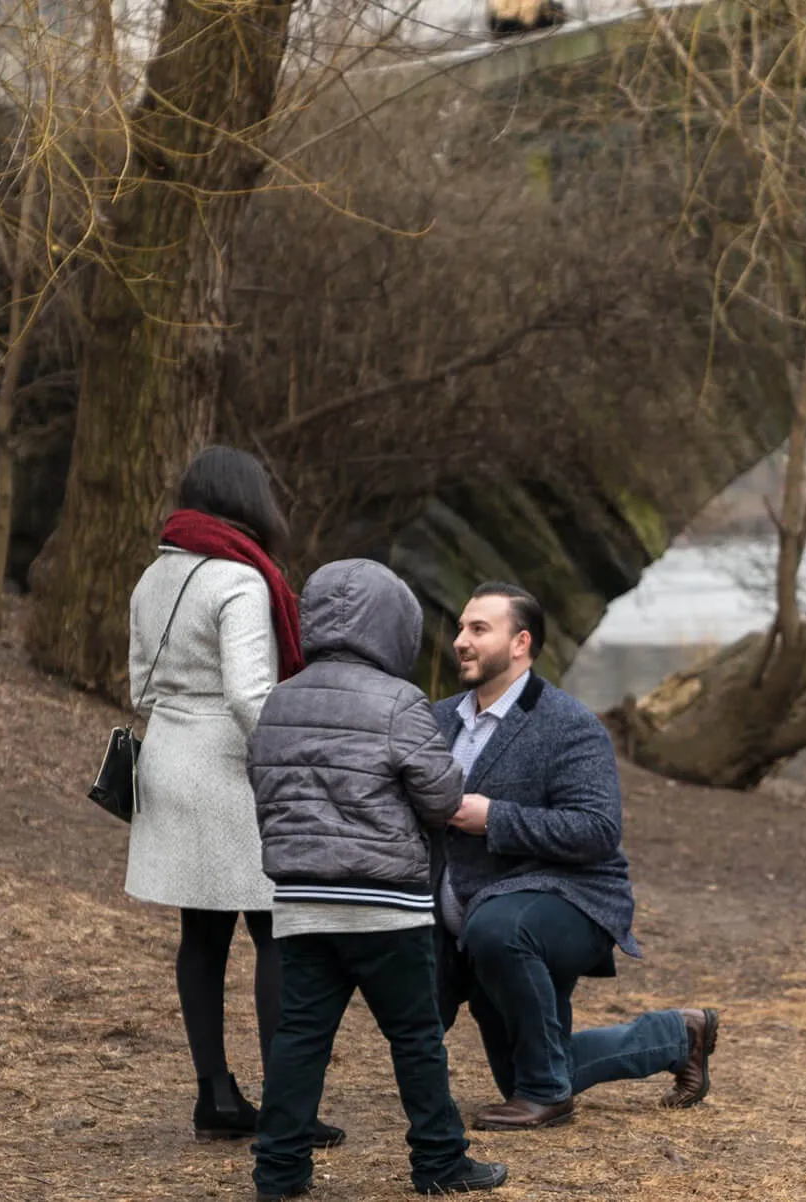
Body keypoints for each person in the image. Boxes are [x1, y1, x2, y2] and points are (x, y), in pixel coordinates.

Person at [247, 559, 509, 1200]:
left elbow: (263, 787)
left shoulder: (280, 698)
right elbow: (443, 793)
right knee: (416, 1039)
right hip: (384, 903)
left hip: (303, 900)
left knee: (300, 1038)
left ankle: (279, 1173)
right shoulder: (399, 702)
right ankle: (439, 1163)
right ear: (394, 627)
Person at [432, 581, 720, 1131]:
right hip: (465, 914)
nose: (460, 641)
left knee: (499, 934)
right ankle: (676, 1036)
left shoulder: (568, 724)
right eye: (460, 628)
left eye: (478, 629)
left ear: (521, 643)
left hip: (567, 902)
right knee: (525, 1070)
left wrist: (494, 817)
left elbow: (596, 829)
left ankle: (549, 1098)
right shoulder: (438, 719)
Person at [123, 445, 342, 1147]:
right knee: (277, 929)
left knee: (203, 935)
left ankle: (215, 1095)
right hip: (229, 771)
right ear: (251, 501)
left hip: (169, 758)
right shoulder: (242, 581)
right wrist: (301, 755)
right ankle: (288, 1107)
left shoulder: (154, 575)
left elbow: (139, 687)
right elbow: (252, 698)